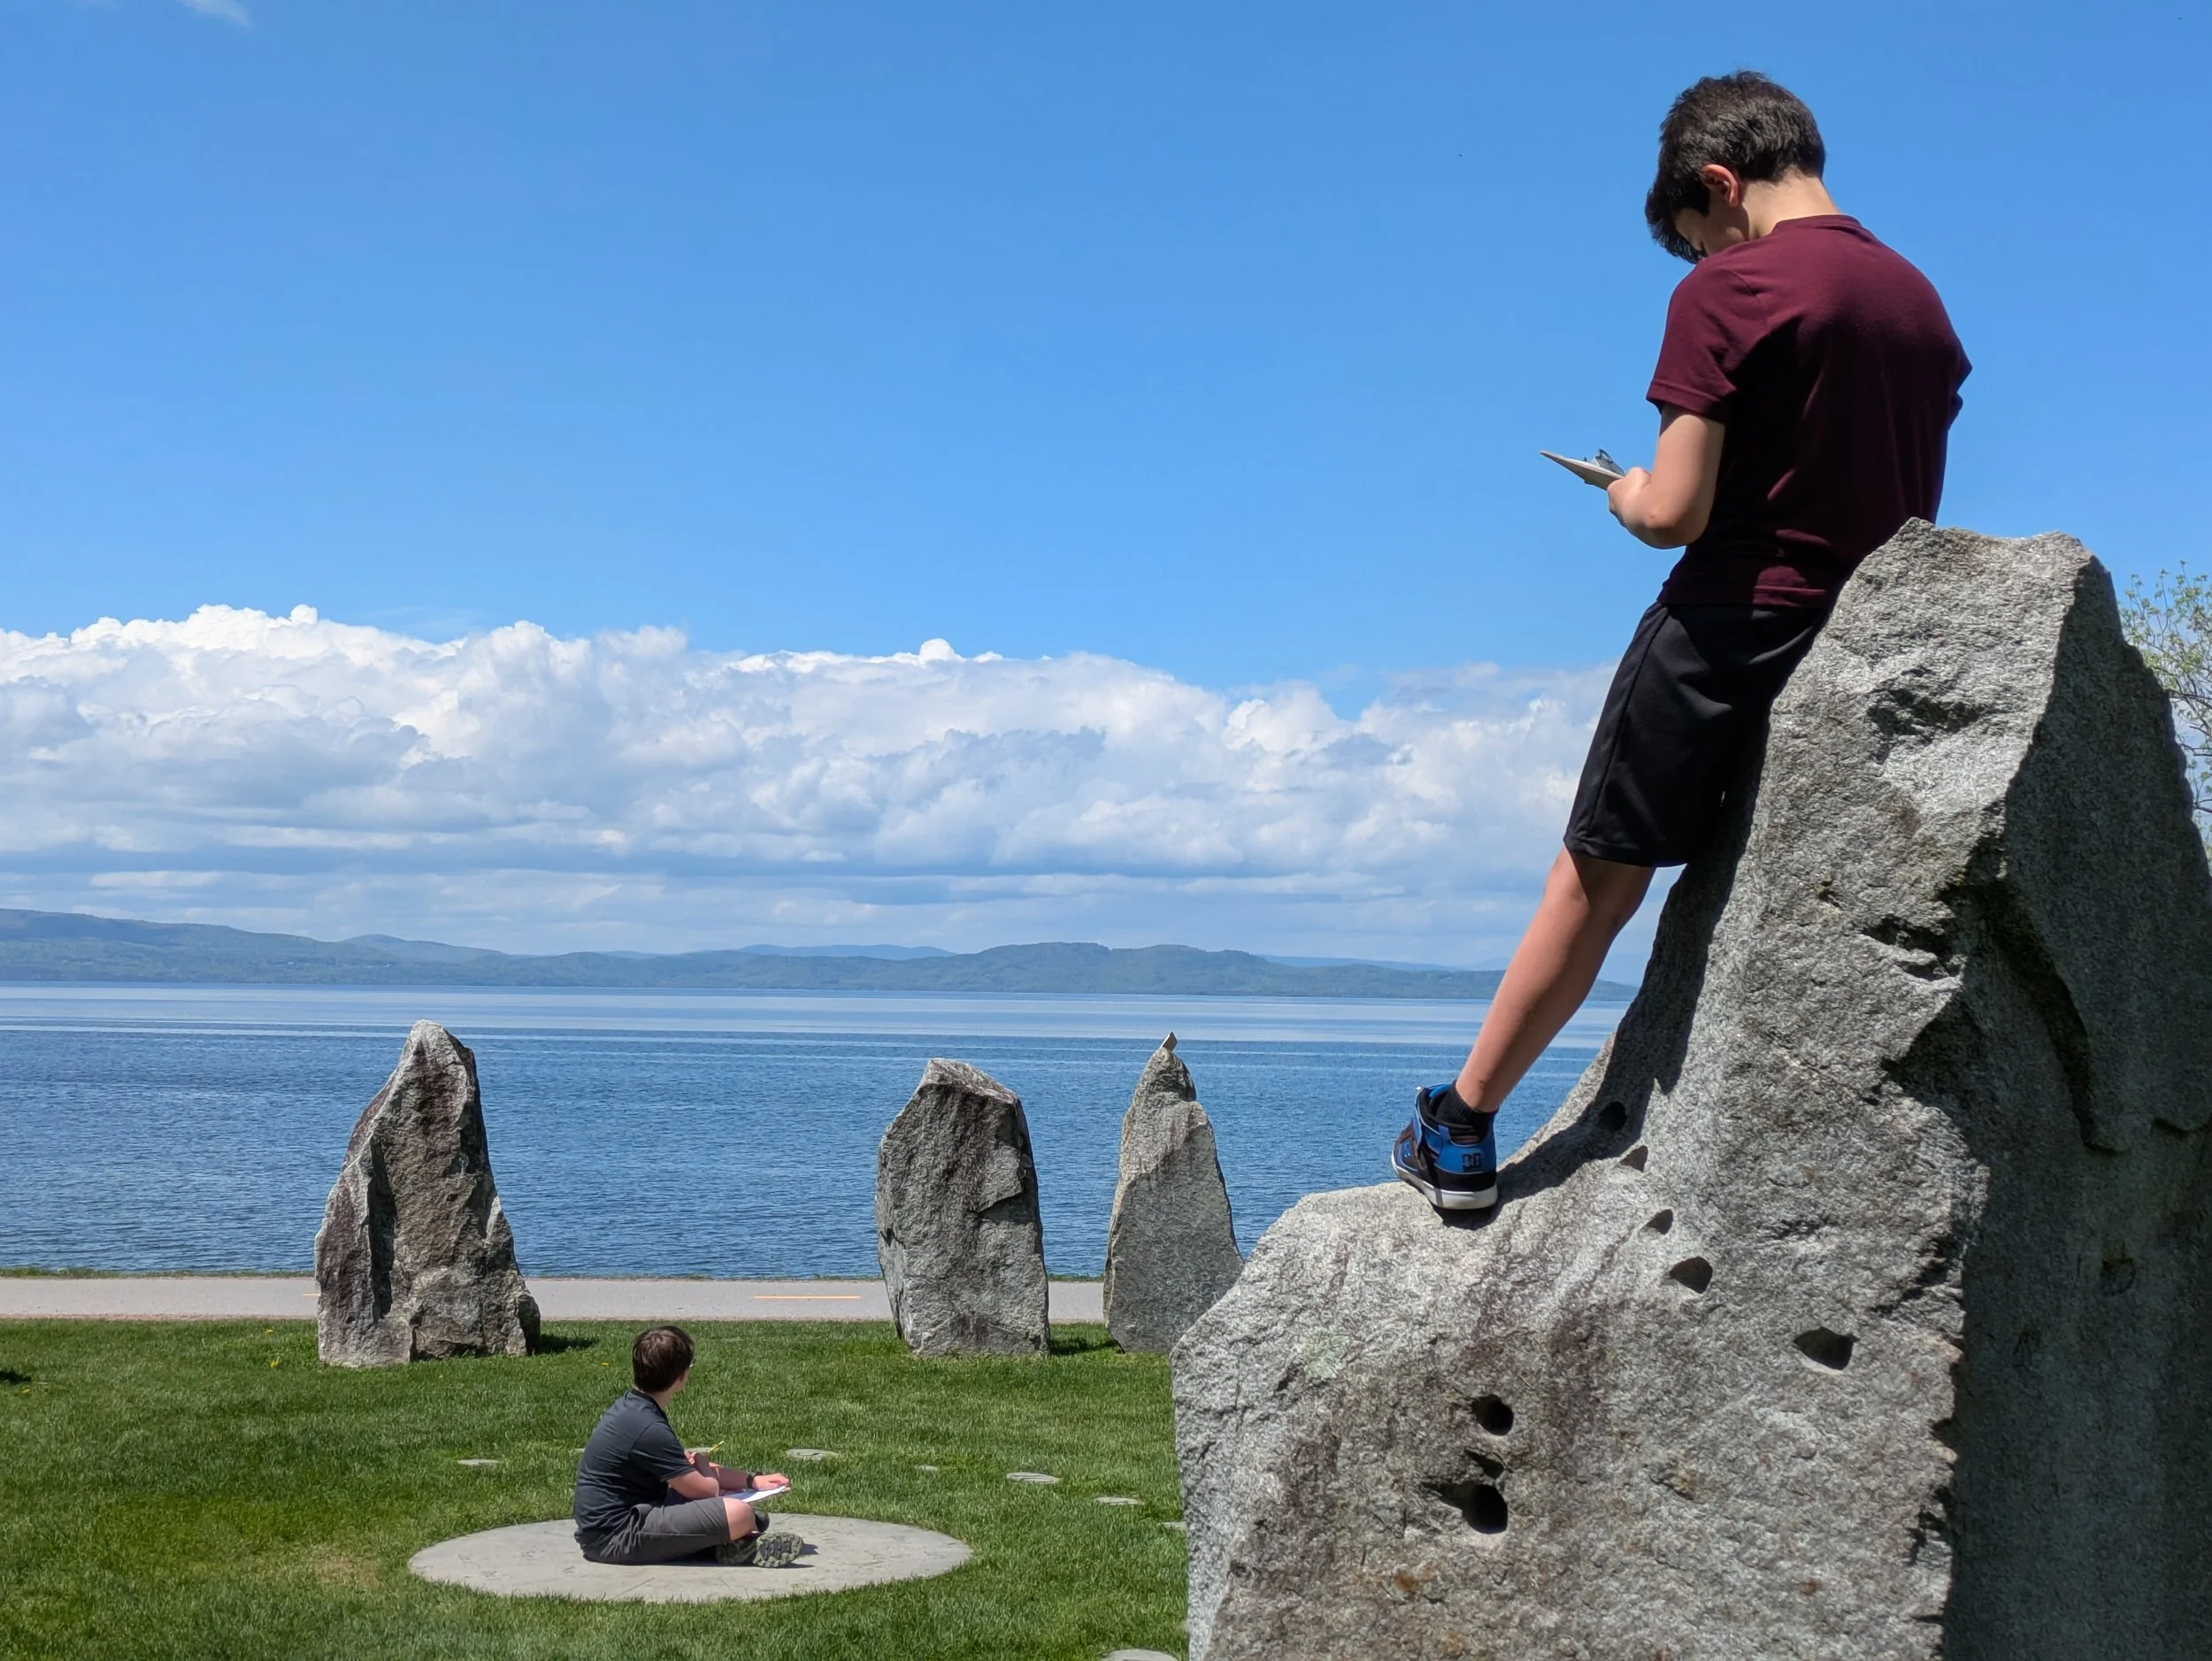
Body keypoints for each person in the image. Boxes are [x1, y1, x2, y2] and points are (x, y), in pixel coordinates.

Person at [1394, 70, 1970, 1211]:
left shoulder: (1735, 288)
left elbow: (1673, 515)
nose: (1702, 265)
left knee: (1597, 877)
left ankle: (1460, 1129)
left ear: (1718, 182)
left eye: (1697, 239)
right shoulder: (1918, 301)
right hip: (1863, 643)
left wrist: (1624, 494)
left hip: (1727, 629)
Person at [572, 1325, 802, 1567]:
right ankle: (736, 1544)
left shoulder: (633, 1407)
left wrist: (752, 1481)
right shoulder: (649, 1427)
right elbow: (706, 1489)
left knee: (748, 1514)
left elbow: (686, 1469)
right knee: (740, 1513)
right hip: (616, 1537)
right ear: (681, 1376)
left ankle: (733, 1544)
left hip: (621, 1523)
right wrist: (703, 1465)